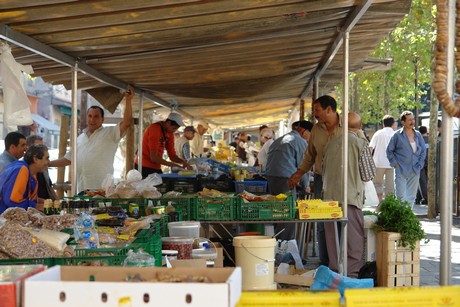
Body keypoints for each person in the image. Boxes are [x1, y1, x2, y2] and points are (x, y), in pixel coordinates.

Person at [288, 95, 341, 266]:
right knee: (322, 219)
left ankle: (341, 258)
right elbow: (310, 154)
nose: (314, 114)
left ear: (329, 109)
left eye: (317, 110)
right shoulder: (317, 130)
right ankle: (325, 260)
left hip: (342, 179)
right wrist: (298, 173)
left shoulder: (346, 125)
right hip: (320, 179)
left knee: (342, 217)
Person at [49, 86, 134, 192]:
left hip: (102, 190)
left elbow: (126, 123)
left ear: (102, 119)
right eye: (90, 116)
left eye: (96, 117)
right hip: (81, 189)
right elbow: (68, 159)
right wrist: (48, 164)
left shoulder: (110, 133)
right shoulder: (80, 138)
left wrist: (128, 100)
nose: (92, 119)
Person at [322, 112, 366, 278]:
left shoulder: (330, 143)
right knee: (353, 237)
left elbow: (321, 167)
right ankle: (351, 274)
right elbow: (368, 174)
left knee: (333, 238)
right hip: (350, 196)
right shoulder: (360, 143)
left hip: (329, 199)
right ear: (360, 127)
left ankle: (335, 272)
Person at [266, 120, 312, 240]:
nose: (309, 137)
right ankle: (283, 245)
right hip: (285, 180)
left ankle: (276, 243)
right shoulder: (299, 141)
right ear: (303, 131)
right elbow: (303, 166)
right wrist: (306, 185)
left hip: (271, 178)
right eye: (310, 133)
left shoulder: (278, 140)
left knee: (277, 212)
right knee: (288, 214)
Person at [386, 111, 426, 208]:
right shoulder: (396, 135)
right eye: (409, 120)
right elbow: (389, 151)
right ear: (403, 122)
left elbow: (423, 151)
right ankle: (401, 219)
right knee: (401, 196)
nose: (412, 122)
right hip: (401, 170)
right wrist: (395, 164)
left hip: (415, 169)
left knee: (411, 196)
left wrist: (420, 164)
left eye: (413, 119)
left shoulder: (418, 135)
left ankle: (408, 217)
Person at [135, 112, 192, 178]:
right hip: (143, 166)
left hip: (155, 167)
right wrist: (172, 165)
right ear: (168, 123)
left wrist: (183, 162)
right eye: (173, 128)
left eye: (176, 129)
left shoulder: (169, 133)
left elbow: (172, 156)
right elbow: (153, 157)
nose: (174, 131)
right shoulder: (155, 129)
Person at [0, 144, 49, 214]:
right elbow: (12, 201)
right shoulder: (22, 169)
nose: (49, 162)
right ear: (35, 159)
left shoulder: (30, 173)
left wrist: (40, 201)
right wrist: (36, 206)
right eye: (47, 158)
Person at [368, 115, 397, 203]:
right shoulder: (395, 134)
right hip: (391, 163)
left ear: (383, 124)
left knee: (377, 184)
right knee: (390, 186)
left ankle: (379, 203)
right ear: (393, 124)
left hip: (378, 162)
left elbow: (371, 148)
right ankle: (389, 205)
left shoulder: (378, 133)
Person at [26, 135, 58, 202]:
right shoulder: (24, 169)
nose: (41, 149)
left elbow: (49, 185)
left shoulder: (43, 167)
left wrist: (57, 201)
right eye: (38, 147)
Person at [416, 126, 429, 204]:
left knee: (422, 181)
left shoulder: (417, 140)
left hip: (420, 163)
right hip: (430, 163)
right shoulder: (431, 139)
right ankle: (420, 198)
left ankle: (423, 198)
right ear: (426, 131)